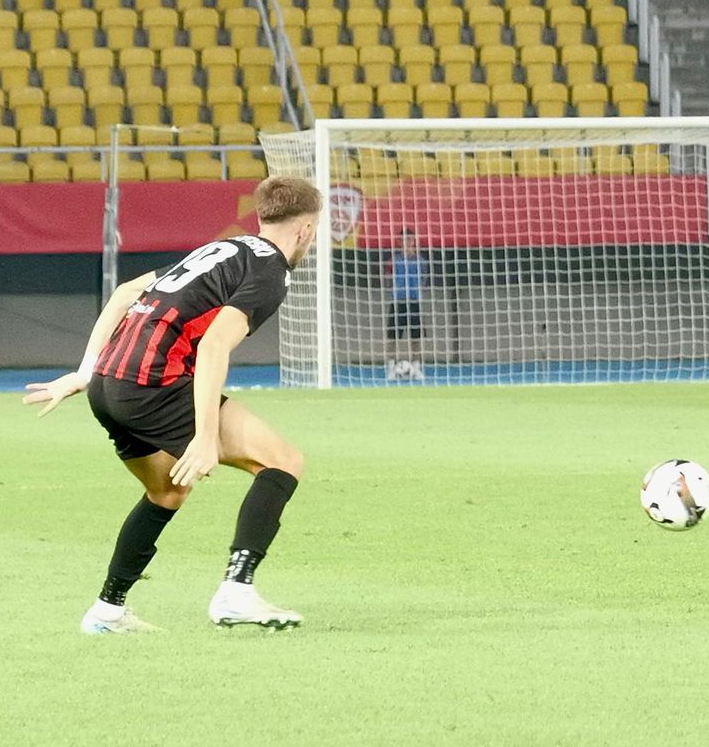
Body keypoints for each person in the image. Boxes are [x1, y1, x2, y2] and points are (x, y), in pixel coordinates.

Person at [23, 176, 322, 633]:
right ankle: (237, 591)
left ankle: (107, 611)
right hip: (151, 384)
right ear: (305, 229)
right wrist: (204, 436)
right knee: (282, 461)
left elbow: (126, 293)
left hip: (108, 386)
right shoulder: (271, 271)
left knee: (166, 492)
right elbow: (215, 345)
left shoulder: (224, 248)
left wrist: (85, 372)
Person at [384, 227, 428, 381]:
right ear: (399, 242)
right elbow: (387, 279)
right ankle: (391, 368)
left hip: (414, 301)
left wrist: (416, 292)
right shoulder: (393, 261)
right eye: (404, 240)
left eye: (410, 239)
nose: (407, 243)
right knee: (392, 337)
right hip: (398, 302)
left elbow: (423, 279)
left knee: (416, 337)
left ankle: (416, 368)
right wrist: (395, 291)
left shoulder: (421, 261)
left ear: (414, 241)